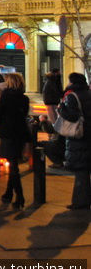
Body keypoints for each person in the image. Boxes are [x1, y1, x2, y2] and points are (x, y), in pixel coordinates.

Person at [57, 72, 91, 210]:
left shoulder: (72, 96)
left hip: (79, 137)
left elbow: (72, 116)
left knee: (81, 171)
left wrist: (61, 109)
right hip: (89, 134)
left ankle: (81, 202)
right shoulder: (89, 93)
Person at [0, 72, 30, 210]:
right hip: (20, 133)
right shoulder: (24, 98)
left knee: (13, 166)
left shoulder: (6, 96)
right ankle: (8, 193)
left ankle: (20, 196)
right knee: (13, 162)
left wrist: (1, 127)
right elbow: (25, 115)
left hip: (8, 132)